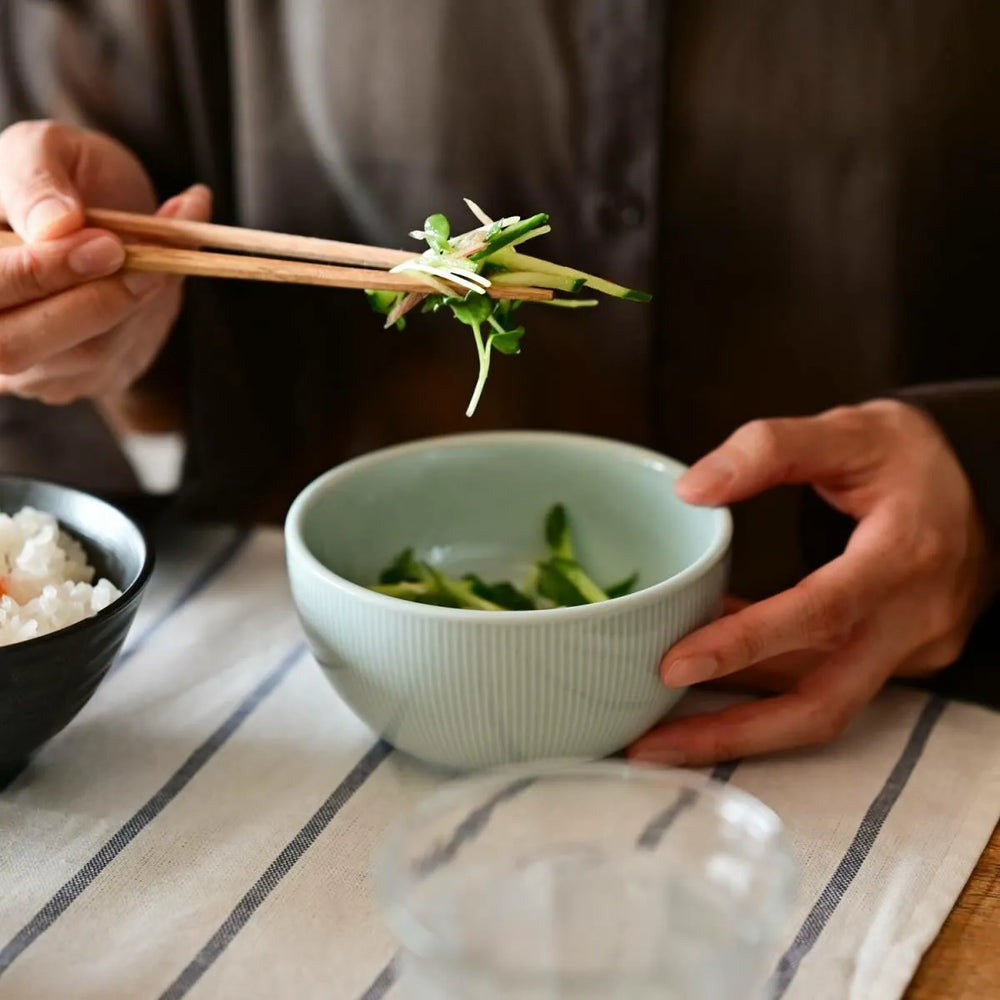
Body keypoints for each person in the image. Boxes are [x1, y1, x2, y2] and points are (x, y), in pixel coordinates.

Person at [1, 0, 998, 764]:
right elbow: (87, 161)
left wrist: (983, 474)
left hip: (915, 699)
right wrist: (107, 320)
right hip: (303, 703)